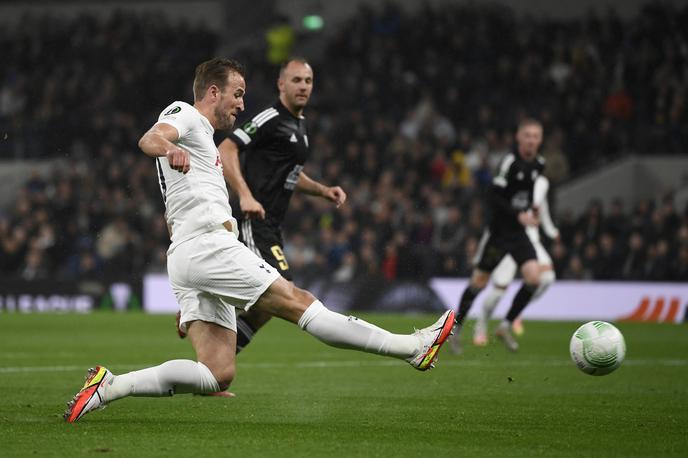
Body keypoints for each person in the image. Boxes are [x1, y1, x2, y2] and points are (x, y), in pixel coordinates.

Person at [63, 57, 455, 423]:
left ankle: (111, 386)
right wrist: (168, 148)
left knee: (218, 373)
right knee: (299, 302)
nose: (242, 104)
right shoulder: (186, 114)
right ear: (213, 92)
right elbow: (150, 138)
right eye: (237, 93)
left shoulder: (207, 146)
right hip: (208, 247)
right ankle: (412, 348)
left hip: (187, 253)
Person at [176, 58, 346, 360]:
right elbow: (227, 147)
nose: (303, 86)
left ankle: (212, 356)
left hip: (271, 224)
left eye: (307, 81)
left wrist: (322, 190)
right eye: (296, 80)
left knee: (263, 308)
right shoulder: (271, 117)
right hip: (254, 220)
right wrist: (245, 195)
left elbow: (290, 173)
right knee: (283, 292)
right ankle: (200, 307)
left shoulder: (299, 125)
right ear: (281, 84)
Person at [450, 119, 545, 352]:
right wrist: (517, 214)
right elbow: (493, 196)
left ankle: (505, 325)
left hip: (519, 234)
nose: (531, 140)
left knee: (534, 278)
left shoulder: (539, 164)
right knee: (479, 283)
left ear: (540, 139)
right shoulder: (509, 162)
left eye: (536, 136)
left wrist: (532, 211)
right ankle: (455, 329)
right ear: (519, 138)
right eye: (527, 135)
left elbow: (525, 193)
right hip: (499, 234)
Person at [472, 174, 559, 346]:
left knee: (547, 277)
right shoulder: (508, 182)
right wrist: (482, 250)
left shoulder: (542, 182)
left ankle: (513, 315)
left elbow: (542, 208)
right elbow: (497, 216)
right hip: (508, 238)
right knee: (499, 291)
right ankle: (480, 326)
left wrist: (551, 230)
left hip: (530, 240)